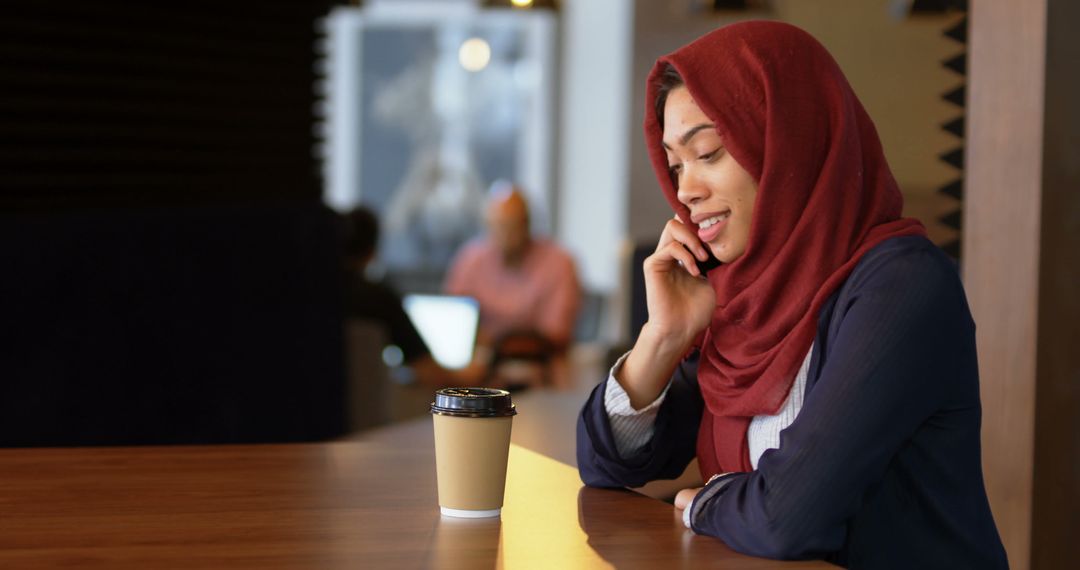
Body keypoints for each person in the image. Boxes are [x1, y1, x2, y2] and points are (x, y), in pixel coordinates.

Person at [576, 21, 1007, 569]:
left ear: (789, 143)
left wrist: (704, 503)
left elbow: (788, 517)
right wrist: (662, 338)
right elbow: (604, 465)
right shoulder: (744, 299)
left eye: (707, 152)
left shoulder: (903, 287)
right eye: (676, 164)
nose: (685, 190)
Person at [445, 182, 582, 388]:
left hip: (539, 369)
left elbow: (556, 335)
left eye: (511, 226)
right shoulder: (470, 259)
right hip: (479, 368)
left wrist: (498, 345)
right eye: (496, 226)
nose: (503, 235)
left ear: (527, 223)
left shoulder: (558, 263)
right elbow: (454, 320)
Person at [341, 206, 452, 387]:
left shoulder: (304, 294)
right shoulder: (378, 299)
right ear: (372, 253)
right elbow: (426, 368)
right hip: (368, 407)